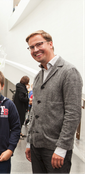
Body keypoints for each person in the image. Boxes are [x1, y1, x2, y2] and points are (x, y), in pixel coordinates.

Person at [25, 30, 83, 174]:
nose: (35, 50)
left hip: (55, 149)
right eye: (31, 47)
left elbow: (73, 113)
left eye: (39, 44)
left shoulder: (69, 72)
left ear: (50, 44)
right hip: (36, 147)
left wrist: (62, 148)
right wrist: (29, 141)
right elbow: (34, 112)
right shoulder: (39, 75)